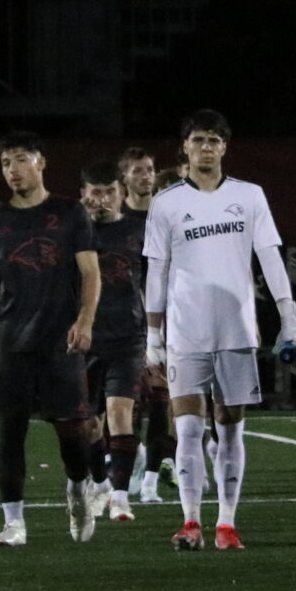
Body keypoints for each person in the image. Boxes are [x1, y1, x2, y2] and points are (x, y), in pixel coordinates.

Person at [142, 110, 296, 550]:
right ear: (185, 148)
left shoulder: (249, 196)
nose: (206, 147)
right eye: (198, 140)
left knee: (230, 427)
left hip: (236, 330)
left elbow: (271, 258)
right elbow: (156, 272)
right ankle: (191, 521)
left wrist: (289, 319)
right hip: (185, 331)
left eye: (214, 140)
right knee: (189, 428)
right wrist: (153, 335)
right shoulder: (167, 203)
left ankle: (227, 523)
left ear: (225, 147)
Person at [0, 131, 102, 547]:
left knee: (72, 433)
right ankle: (14, 523)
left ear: (41, 162)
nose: (13, 170)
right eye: (6, 163)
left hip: (60, 340)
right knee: (11, 432)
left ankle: (78, 489)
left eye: (20, 160)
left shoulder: (70, 213)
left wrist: (85, 320)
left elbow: (91, 273)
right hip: (11, 341)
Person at [77, 161, 154, 523]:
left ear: (120, 193)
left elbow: (154, 284)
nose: (103, 199)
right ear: (84, 195)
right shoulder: (74, 234)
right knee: (87, 424)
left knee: (121, 413)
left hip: (128, 336)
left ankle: (121, 496)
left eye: (109, 191)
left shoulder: (139, 231)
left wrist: (158, 334)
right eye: (96, 192)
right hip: (84, 340)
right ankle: (101, 483)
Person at [118, 143, 176, 496]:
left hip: (164, 320)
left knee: (161, 397)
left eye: (149, 169)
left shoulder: (163, 219)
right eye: (137, 170)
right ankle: (131, 459)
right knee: (123, 402)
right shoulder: (116, 221)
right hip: (122, 324)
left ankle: (152, 476)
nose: (145, 176)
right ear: (124, 177)